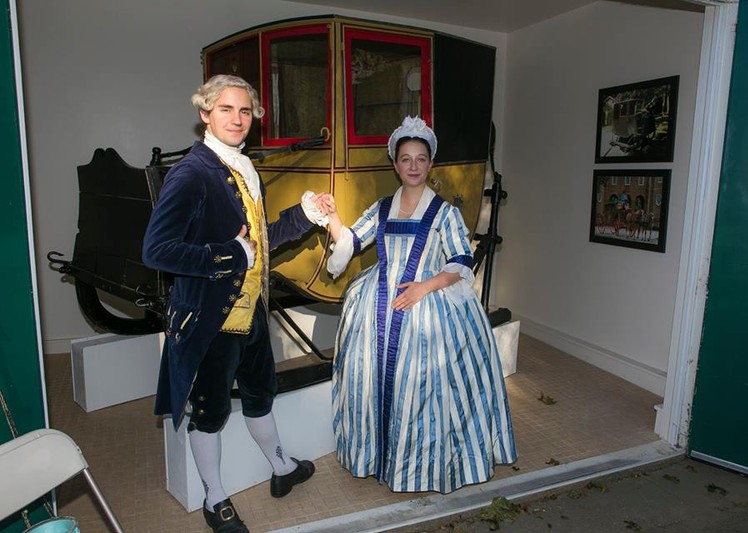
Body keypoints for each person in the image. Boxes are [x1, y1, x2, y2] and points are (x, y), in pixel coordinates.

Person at [142, 75, 327, 533]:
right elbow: (156, 250)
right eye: (225, 109)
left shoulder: (243, 167)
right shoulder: (191, 173)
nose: (237, 119)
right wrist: (226, 255)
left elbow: (259, 242)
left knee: (262, 397)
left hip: (253, 317)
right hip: (211, 321)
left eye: (245, 111)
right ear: (205, 114)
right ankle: (214, 499)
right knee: (211, 414)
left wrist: (305, 216)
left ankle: (282, 468)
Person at [322, 116, 517, 494]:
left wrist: (424, 287)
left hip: (426, 304)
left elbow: (461, 262)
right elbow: (350, 242)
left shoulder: (443, 212)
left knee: (426, 389)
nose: (413, 166)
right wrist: (330, 215)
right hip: (376, 305)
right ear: (395, 164)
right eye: (406, 159)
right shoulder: (380, 209)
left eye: (421, 159)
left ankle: (420, 465)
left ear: (431, 163)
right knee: (371, 380)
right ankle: (376, 455)